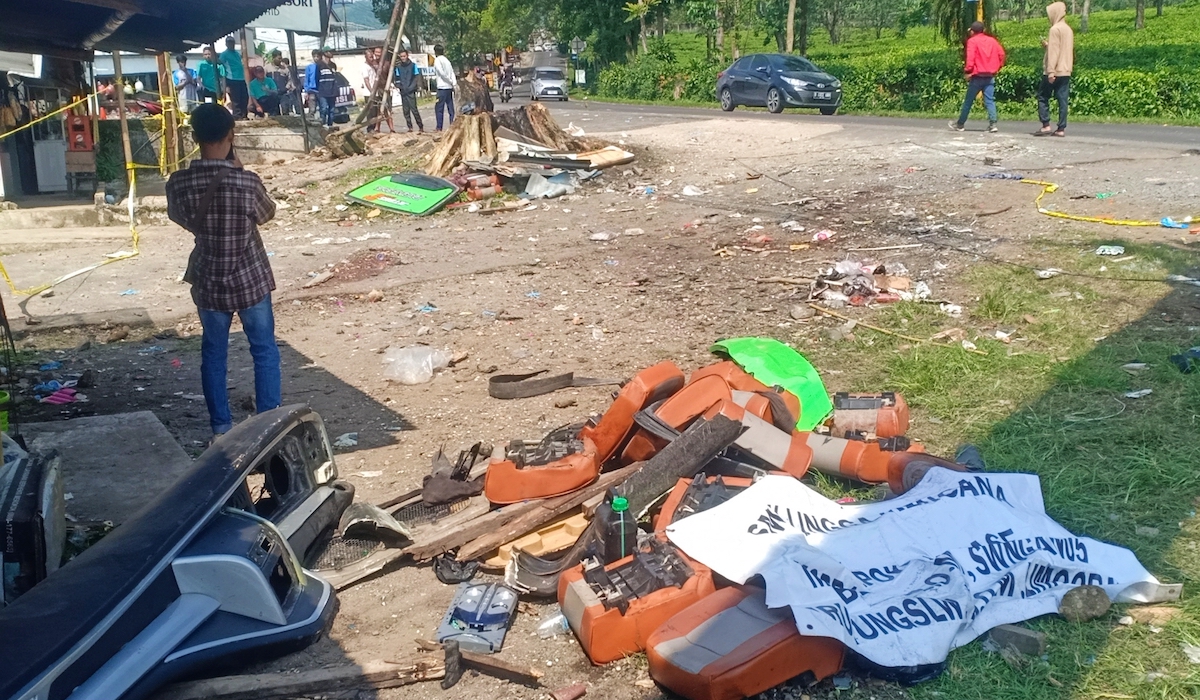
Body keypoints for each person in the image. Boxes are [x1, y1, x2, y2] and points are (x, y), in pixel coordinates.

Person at [165, 103, 279, 440]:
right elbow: (267, 213)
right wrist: (238, 169)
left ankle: (221, 428)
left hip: (208, 280)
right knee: (264, 350)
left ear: (194, 137)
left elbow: (179, 217)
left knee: (214, 354)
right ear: (232, 135)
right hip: (250, 279)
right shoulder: (247, 182)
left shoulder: (178, 183)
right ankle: (268, 424)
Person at [950, 22, 1005, 133]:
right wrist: (998, 67)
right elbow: (1002, 54)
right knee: (989, 100)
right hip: (989, 76)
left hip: (977, 76)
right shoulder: (992, 40)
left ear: (972, 31)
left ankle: (960, 124)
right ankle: (993, 124)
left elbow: (970, 59)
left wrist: (967, 71)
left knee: (968, 101)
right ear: (983, 30)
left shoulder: (972, 41)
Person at [1036, 1, 1074, 137]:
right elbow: (1062, 49)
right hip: (1066, 70)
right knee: (1062, 100)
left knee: (1042, 96)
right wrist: (1048, 45)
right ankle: (1061, 128)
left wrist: (1051, 71)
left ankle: (1046, 125)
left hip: (1054, 70)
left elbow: (1054, 53)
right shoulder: (1068, 29)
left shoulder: (1054, 29)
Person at [393, 49, 425, 133]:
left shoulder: (413, 66)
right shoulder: (398, 67)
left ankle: (420, 126)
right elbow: (397, 78)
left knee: (414, 110)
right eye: (401, 56)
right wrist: (399, 86)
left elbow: (417, 77)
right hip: (403, 91)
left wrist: (415, 86)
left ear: (407, 56)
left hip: (411, 91)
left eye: (404, 56)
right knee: (406, 111)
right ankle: (410, 127)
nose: (403, 58)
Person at [220, 37, 249, 119]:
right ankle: (237, 115)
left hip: (241, 78)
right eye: (229, 42)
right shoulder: (224, 54)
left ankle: (244, 114)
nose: (231, 44)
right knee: (236, 99)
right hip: (232, 78)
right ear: (226, 44)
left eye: (232, 42)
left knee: (244, 97)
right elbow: (219, 62)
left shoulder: (237, 53)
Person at [432, 44, 457, 132]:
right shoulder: (447, 61)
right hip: (449, 87)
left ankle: (439, 127)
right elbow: (452, 72)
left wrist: (448, 80)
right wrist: (453, 83)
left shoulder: (437, 60)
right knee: (450, 107)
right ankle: (452, 125)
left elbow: (441, 73)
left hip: (442, 87)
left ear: (435, 52)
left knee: (439, 108)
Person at [316, 52, 338, 127]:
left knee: (332, 110)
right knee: (324, 109)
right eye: (327, 56)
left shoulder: (333, 65)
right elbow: (316, 78)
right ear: (323, 55)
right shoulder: (319, 65)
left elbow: (335, 77)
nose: (328, 58)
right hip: (323, 91)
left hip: (332, 91)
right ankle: (322, 125)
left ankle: (330, 125)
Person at [361, 48, 380, 132]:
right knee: (370, 112)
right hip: (369, 93)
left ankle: (374, 128)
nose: (372, 59)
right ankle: (370, 128)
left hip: (375, 92)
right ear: (366, 57)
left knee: (375, 112)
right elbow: (366, 80)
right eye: (370, 57)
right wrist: (372, 91)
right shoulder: (364, 67)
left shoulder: (372, 66)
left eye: (372, 57)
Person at [304, 48, 321, 116]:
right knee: (312, 109)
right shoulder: (309, 67)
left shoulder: (322, 66)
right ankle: (311, 119)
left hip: (321, 90)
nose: (316, 58)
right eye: (314, 56)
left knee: (322, 108)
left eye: (317, 56)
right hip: (311, 90)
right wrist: (306, 91)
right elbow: (307, 78)